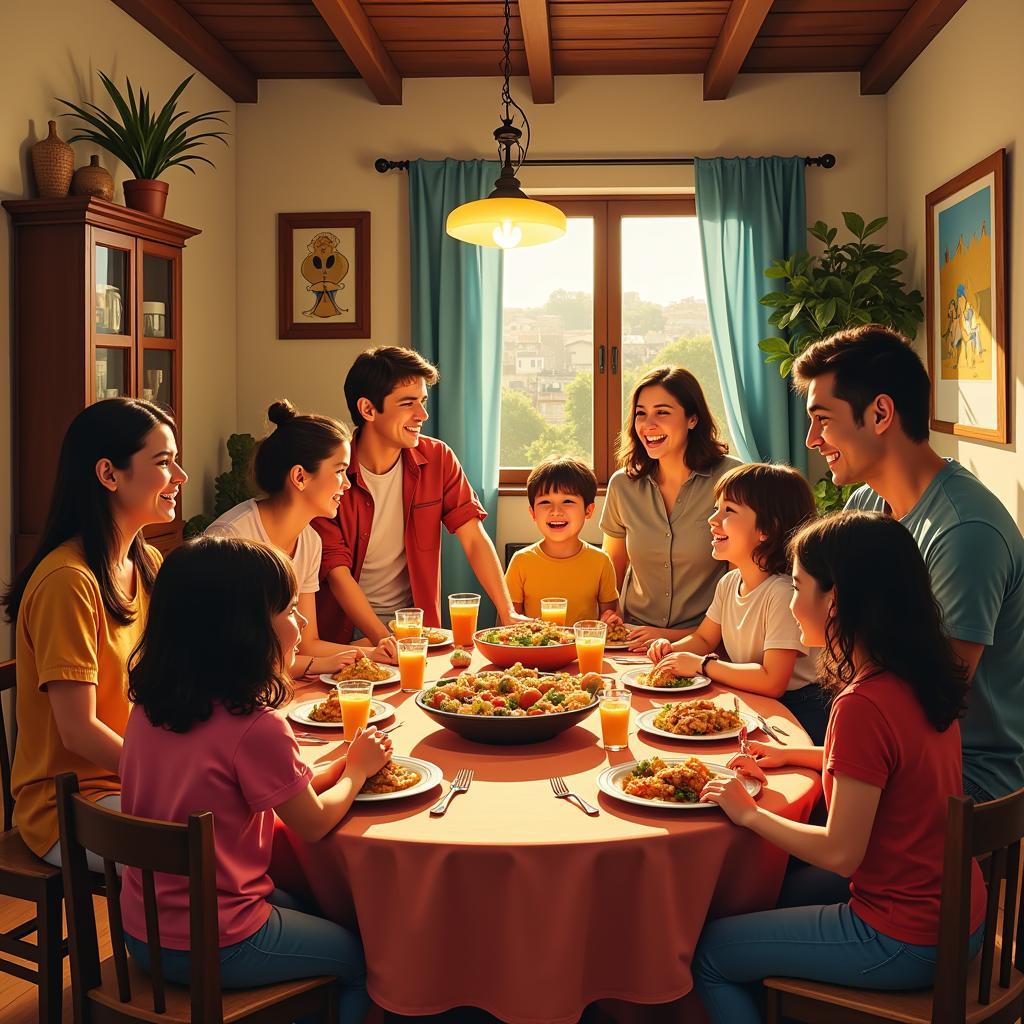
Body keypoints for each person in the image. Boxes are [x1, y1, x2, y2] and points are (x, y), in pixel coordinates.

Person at [693, 511, 986, 1023]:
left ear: (836, 601)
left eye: (799, 585)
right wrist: (793, 755)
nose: (790, 599)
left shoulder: (861, 704)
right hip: (961, 913)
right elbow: (889, 771)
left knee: (710, 952)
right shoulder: (921, 674)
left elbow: (841, 852)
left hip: (904, 936)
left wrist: (748, 813)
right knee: (770, 893)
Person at [121, 536, 388, 1022]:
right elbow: (313, 824)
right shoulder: (256, 725)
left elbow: (281, 790)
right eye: (288, 610)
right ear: (241, 631)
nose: (303, 622)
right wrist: (357, 771)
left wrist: (334, 768)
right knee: (362, 958)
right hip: (217, 939)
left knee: (315, 901)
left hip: (144, 931)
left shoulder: (148, 708)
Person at [793, 324, 1024, 802]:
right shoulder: (865, 502)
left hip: (967, 773)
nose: (812, 438)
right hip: (887, 741)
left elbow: (934, 700)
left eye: (823, 419)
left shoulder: (965, 532)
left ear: (880, 413)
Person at [0, 399, 186, 866]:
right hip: (70, 806)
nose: (179, 476)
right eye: (163, 462)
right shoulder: (69, 581)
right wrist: (170, 776)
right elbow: (79, 731)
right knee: (222, 850)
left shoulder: (147, 564)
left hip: (129, 778)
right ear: (109, 474)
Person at [313, 345, 517, 644]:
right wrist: (384, 641)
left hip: (417, 628)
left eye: (423, 401)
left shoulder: (437, 457)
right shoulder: (330, 473)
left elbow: (473, 538)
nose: (422, 414)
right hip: (345, 634)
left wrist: (508, 612)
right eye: (408, 403)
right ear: (368, 409)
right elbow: (337, 572)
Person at [207, 399, 396, 672]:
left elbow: (307, 644)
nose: (347, 483)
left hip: (275, 683)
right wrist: (337, 661)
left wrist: (371, 653)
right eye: (340, 471)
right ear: (300, 477)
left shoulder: (309, 542)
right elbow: (229, 658)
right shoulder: (232, 539)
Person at [647, 463, 828, 743]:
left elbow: (772, 681)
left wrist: (701, 665)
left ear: (767, 529)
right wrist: (670, 651)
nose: (712, 519)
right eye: (716, 508)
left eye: (728, 511)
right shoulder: (730, 583)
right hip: (755, 702)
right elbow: (704, 638)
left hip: (798, 712)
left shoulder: (781, 593)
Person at [600, 366, 742, 651]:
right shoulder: (622, 485)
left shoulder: (732, 480)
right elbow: (611, 568)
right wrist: (611, 615)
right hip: (633, 640)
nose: (648, 424)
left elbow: (742, 583)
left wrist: (674, 638)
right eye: (641, 413)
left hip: (707, 644)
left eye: (662, 412)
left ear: (692, 418)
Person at [505, 457, 618, 625]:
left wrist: (610, 620)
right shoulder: (521, 561)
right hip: (535, 650)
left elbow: (610, 620)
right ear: (533, 513)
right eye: (545, 502)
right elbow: (507, 623)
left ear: (589, 510)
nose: (556, 511)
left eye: (568, 501)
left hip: (582, 649)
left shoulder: (601, 562)